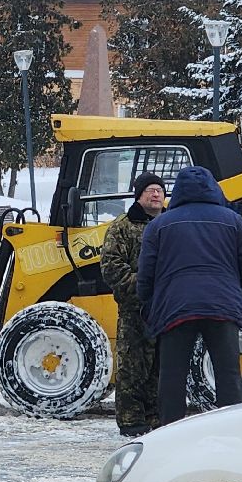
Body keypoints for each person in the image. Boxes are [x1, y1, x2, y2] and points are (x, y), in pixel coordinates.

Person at [136, 165, 242, 425]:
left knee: (172, 376)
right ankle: (232, 430)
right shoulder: (233, 220)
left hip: (175, 308)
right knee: (228, 375)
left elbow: (146, 271)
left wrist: (149, 303)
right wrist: (240, 297)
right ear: (213, 187)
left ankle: (171, 431)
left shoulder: (159, 225)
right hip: (222, 306)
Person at [100, 172, 168, 436]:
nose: (156, 194)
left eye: (159, 190)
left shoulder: (172, 223)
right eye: (150, 190)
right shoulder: (122, 227)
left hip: (167, 310)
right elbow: (111, 267)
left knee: (162, 367)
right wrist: (144, 287)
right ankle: (132, 422)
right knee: (132, 367)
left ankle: (159, 420)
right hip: (135, 310)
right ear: (138, 195)